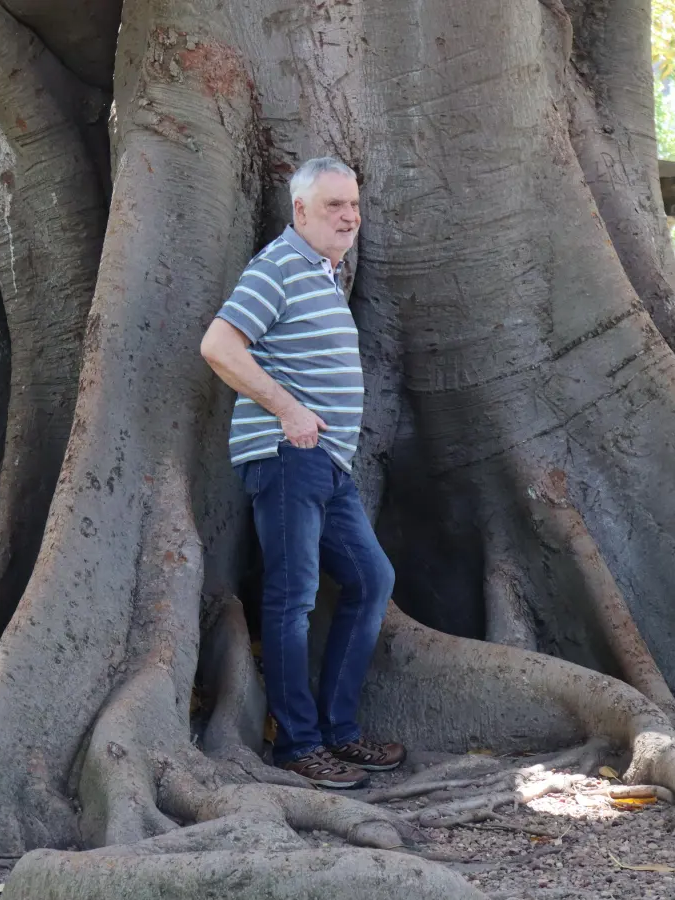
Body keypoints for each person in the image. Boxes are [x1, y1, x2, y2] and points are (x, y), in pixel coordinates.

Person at [199, 156, 403, 789]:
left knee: (371, 579)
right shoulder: (277, 267)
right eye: (334, 205)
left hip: (327, 465)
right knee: (293, 601)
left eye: (353, 205)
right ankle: (296, 744)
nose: (349, 216)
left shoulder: (321, 274)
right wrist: (289, 409)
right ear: (301, 211)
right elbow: (218, 345)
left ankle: (340, 733)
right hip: (288, 457)